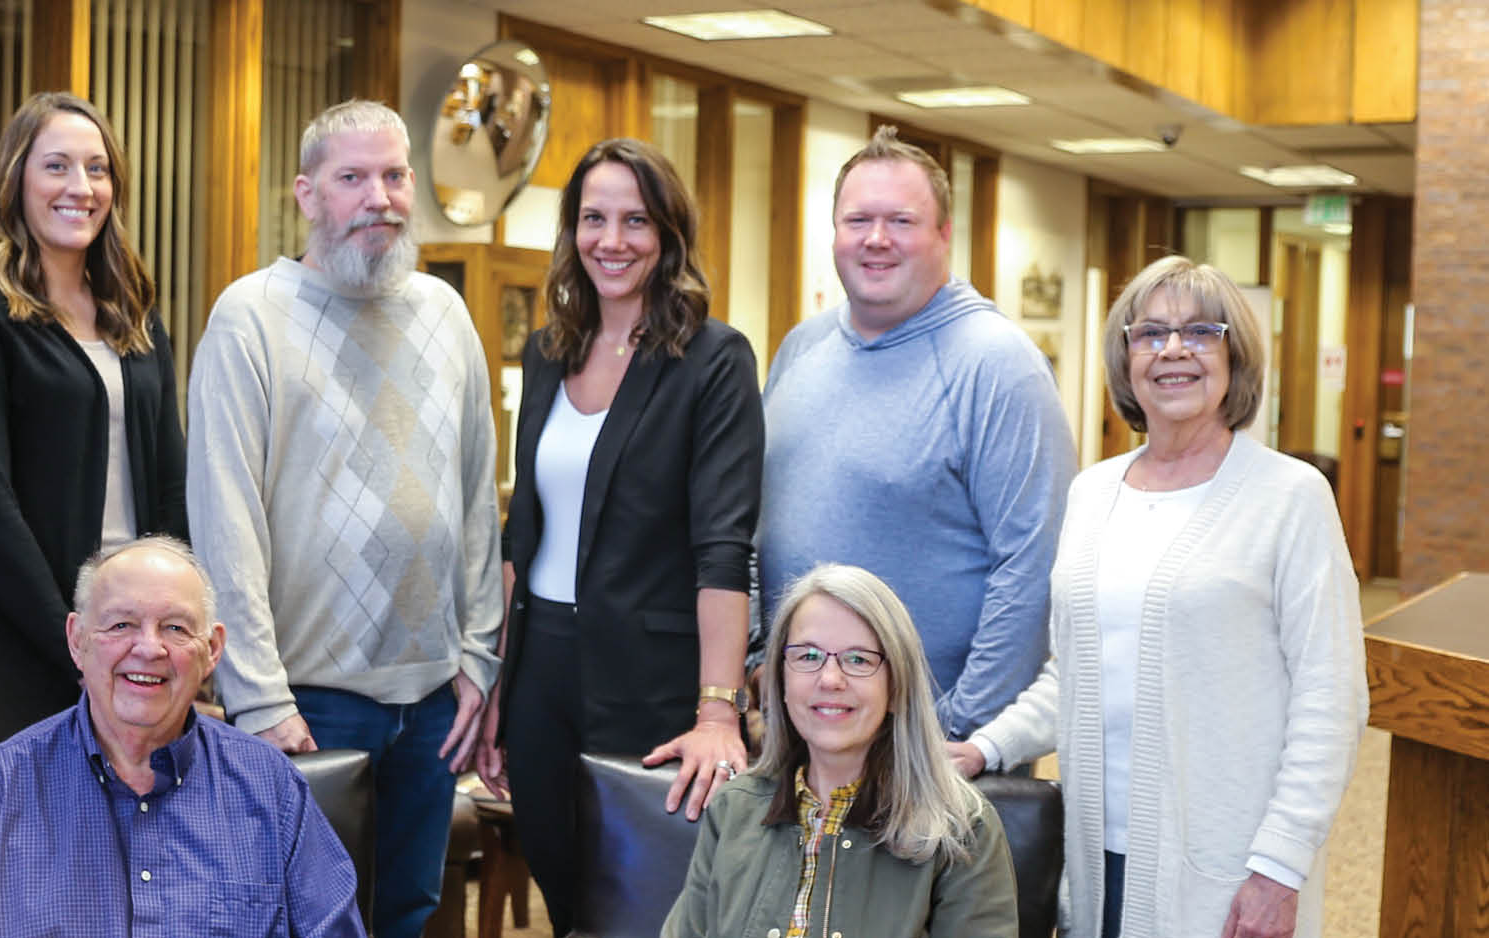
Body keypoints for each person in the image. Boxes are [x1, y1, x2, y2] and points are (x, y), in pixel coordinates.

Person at [953, 256, 1367, 938]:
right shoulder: (1093, 493)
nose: (1173, 350)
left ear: (1235, 356)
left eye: (1201, 331)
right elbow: (1077, 672)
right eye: (1150, 333)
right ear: (1126, 359)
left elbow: (1332, 697)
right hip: (1094, 856)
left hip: (1228, 867)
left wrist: (1280, 867)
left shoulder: (1289, 497)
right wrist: (986, 746)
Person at [186, 99, 503, 938]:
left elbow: (477, 498)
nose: (381, 198)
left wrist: (477, 656)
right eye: (353, 178)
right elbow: (226, 520)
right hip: (309, 702)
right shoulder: (250, 317)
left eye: (395, 176)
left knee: (408, 913)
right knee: (297, 921)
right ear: (306, 193)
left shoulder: (446, 313)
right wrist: (256, 697)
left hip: (434, 699)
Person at [474, 138, 763, 937]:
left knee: (645, 904)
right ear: (571, 233)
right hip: (542, 674)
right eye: (594, 219)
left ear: (669, 235)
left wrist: (717, 711)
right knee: (563, 892)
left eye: (636, 220)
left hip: (654, 679)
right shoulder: (548, 352)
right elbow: (521, 531)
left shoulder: (713, 360)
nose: (612, 240)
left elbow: (723, 547)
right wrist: (502, 682)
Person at [759, 125, 1075, 742]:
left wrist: (957, 732)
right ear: (833, 234)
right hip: (798, 730)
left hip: (932, 750)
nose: (876, 240)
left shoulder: (998, 364)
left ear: (944, 234)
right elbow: (751, 522)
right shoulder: (801, 348)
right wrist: (757, 670)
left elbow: (1032, 569)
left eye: (901, 221)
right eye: (858, 221)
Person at [0, 537, 366, 938]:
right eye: (122, 625)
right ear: (77, 640)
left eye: (175, 628)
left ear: (212, 649)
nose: (149, 648)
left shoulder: (274, 789)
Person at [0, 92, 185, 751]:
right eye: (57, 167)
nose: (81, 187)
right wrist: (74, 639)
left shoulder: (137, 316)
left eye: (97, 169)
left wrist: (164, 629)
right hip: (11, 652)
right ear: (16, 180)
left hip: (129, 652)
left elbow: (171, 488)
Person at [664, 564, 1018, 938]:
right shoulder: (733, 808)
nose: (830, 679)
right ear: (780, 679)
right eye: (808, 656)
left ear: (897, 686)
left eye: (859, 659)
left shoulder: (964, 830)